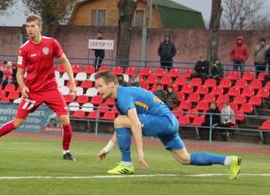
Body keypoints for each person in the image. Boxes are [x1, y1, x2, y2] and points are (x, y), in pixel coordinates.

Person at [94, 70, 241, 179]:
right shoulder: (124, 94)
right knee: (184, 159)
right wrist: (108, 147)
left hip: (162, 121)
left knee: (120, 120)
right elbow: (125, 124)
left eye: (100, 86)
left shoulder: (123, 97)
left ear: (112, 84)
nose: (98, 90)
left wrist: (140, 154)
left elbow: (135, 124)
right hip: (170, 121)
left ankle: (126, 164)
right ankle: (229, 161)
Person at [0, 14, 77, 160]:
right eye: (27, 26)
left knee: (65, 120)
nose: (29, 29)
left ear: (39, 27)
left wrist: (72, 82)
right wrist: (23, 86)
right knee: (17, 122)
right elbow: (19, 73)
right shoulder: (24, 49)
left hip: (51, 89)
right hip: (32, 92)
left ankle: (66, 152)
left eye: (33, 26)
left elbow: (64, 60)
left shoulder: (52, 43)